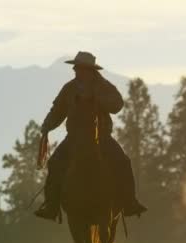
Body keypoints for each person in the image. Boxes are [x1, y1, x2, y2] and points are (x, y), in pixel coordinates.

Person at [34, 51, 147, 221]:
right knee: (55, 163)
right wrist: (47, 126)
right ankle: (51, 205)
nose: (76, 70)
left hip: (101, 137)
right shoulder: (69, 88)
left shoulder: (103, 87)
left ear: (90, 70)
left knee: (123, 162)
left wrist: (98, 98)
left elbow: (117, 104)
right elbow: (58, 110)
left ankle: (129, 202)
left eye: (80, 68)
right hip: (74, 138)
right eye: (76, 68)